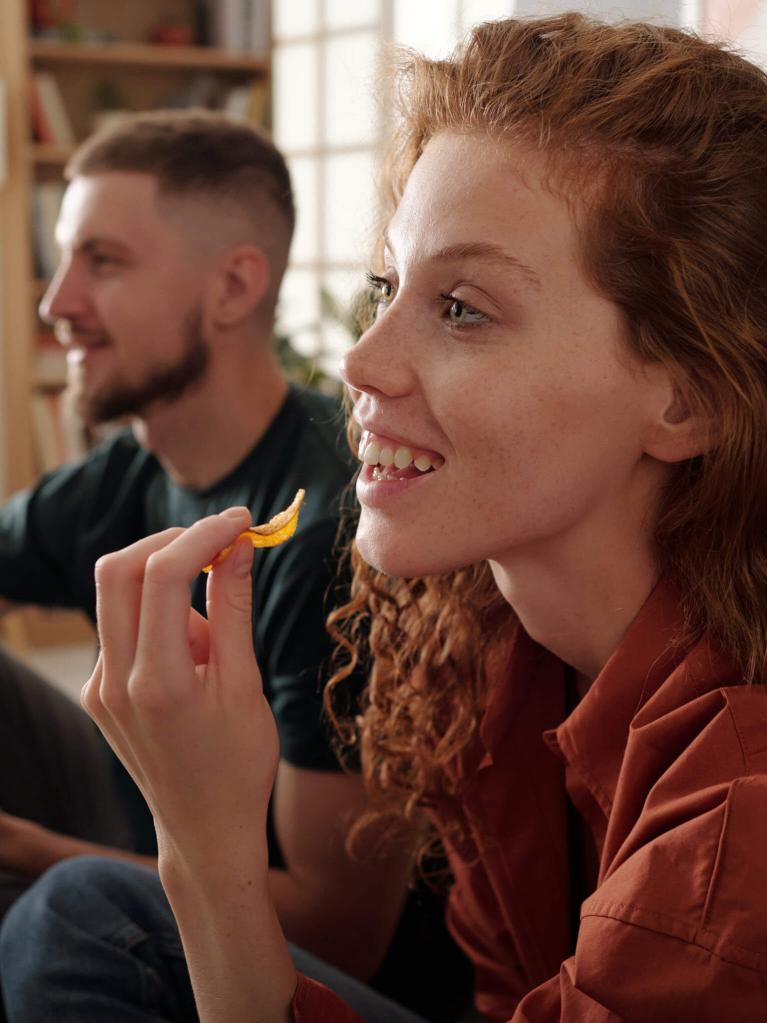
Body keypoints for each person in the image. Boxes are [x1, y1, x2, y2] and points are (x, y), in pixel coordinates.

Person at [4, 10, 767, 1021]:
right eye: (384, 289)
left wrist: (203, 839)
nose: (358, 365)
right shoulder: (482, 647)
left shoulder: (736, 827)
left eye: (463, 308)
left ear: (689, 398)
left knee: (82, 912)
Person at [0, 110, 424, 993]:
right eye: (66, 256)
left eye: (103, 261)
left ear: (233, 288)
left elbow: (341, 931)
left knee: (66, 902)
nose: (56, 302)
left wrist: (30, 849)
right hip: (150, 823)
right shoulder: (122, 473)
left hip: (276, 934)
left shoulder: (333, 532)